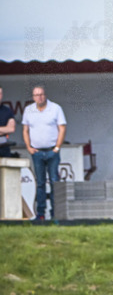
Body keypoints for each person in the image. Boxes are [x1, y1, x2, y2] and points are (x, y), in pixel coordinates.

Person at [22, 84, 66, 221]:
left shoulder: (55, 108)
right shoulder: (28, 110)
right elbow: (25, 130)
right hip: (37, 152)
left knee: (54, 182)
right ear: (33, 97)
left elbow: (62, 128)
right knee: (40, 183)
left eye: (41, 94)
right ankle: (41, 214)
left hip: (52, 151)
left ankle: (56, 214)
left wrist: (57, 147)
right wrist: (29, 147)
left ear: (45, 95)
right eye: (36, 95)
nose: (39, 97)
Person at [0, 85, 15, 158]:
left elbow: (11, 129)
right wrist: (4, 129)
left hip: (4, 148)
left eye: (0, 93)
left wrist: (7, 129)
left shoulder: (7, 110)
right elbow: (7, 129)